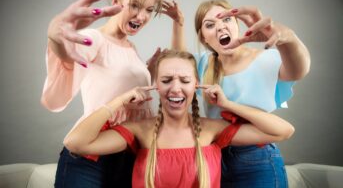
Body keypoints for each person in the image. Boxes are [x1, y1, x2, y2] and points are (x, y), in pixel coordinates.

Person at [63, 49, 295, 188]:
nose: (175, 89)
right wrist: (119, 101)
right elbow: (76, 143)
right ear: (155, 86)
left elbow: (283, 131)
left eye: (184, 81)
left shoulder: (210, 130)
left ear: (196, 84)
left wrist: (227, 104)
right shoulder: (139, 130)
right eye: (166, 80)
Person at [40, 0, 184, 187]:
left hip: (127, 156)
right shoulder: (95, 39)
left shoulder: (131, 49)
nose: (142, 16)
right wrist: (55, 38)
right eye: (135, 6)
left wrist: (149, 70)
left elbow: (178, 70)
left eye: (149, 10)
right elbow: (69, 56)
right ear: (115, 1)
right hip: (91, 157)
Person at [188, 0, 311, 187]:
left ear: (237, 25)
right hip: (215, 157)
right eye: (210, 25)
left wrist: (289, 38)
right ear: (204, 37)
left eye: (227, 20)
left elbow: (299, 71)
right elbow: (177, 64)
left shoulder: (264, 59)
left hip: (257, 158)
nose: (221, 27)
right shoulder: (204, 63)